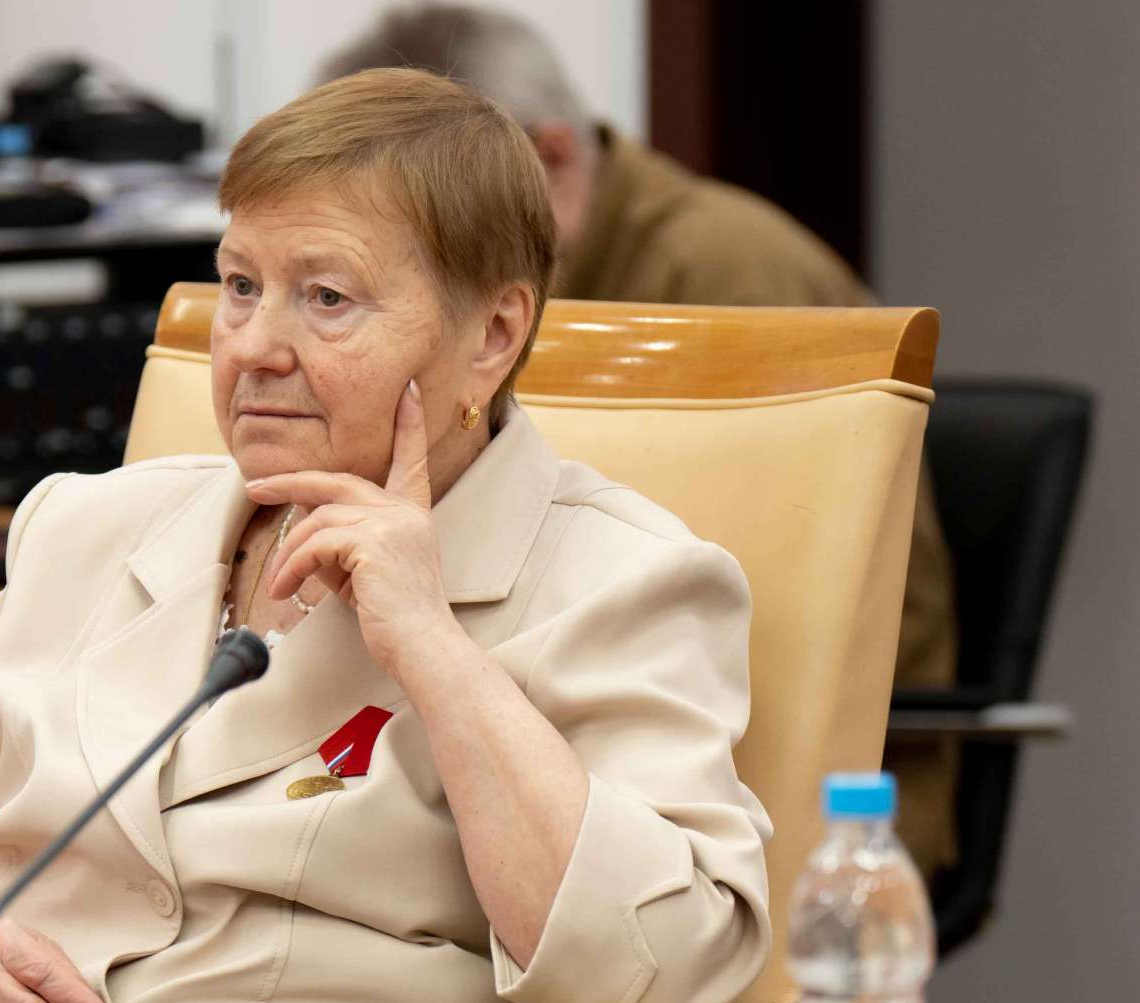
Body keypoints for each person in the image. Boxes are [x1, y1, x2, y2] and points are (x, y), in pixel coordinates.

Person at [0, 68, 771, 1003]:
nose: (253, 348)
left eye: (326, 297)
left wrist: (433, 647)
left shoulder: (624, 580)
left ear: (493, 335)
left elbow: (662, 970)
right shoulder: (88, 527)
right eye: (240, 286)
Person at [322, 3, 960, 883]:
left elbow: (798, 598)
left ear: (550, 157)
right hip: (531, 711)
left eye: (429, 206)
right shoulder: (539, 272)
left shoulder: (730, 277)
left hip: (764, 765)